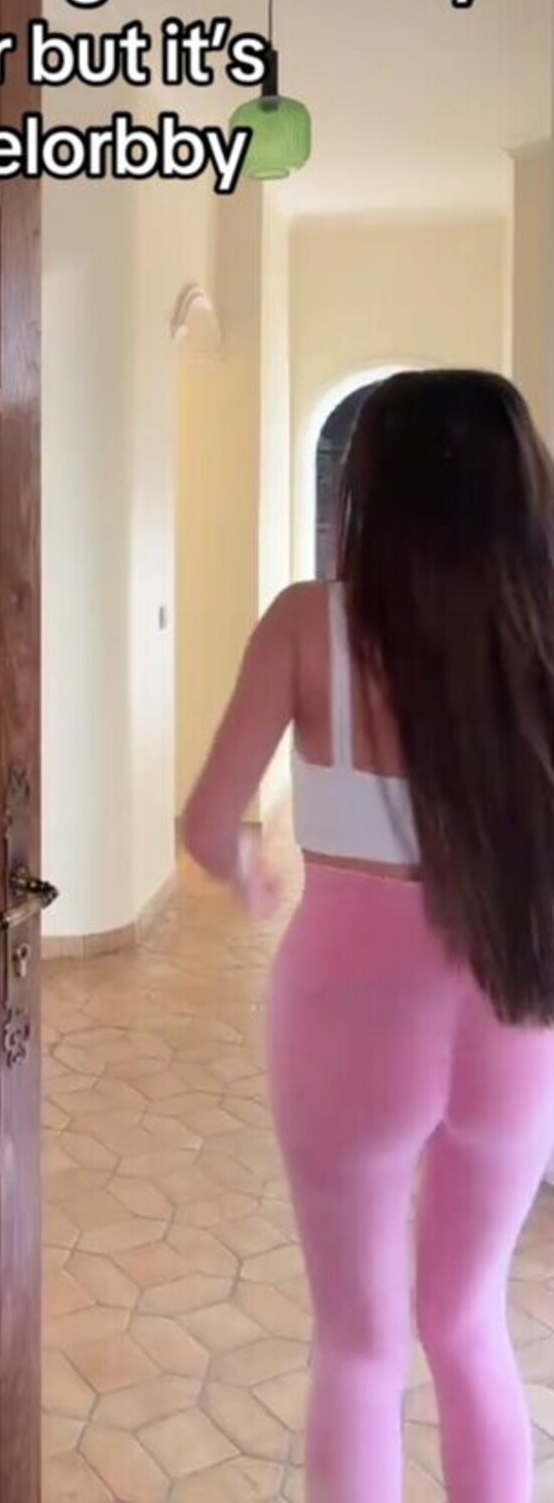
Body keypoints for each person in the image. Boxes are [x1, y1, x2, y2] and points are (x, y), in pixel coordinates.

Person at [179, 368, 554, 1503]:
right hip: (514, 1007)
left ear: (372, 490)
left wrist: (248, 873)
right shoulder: (539, 638)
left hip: (344, 1018)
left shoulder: (309, 624)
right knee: (469, 1320)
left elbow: (206, 823)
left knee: (359, 1346)